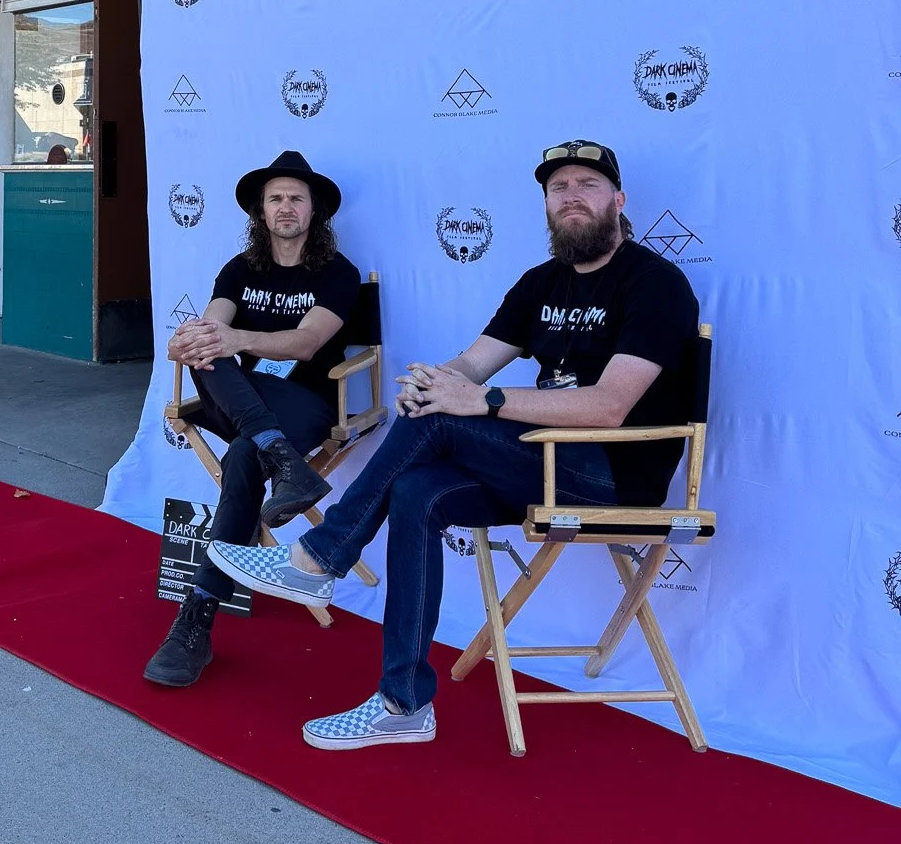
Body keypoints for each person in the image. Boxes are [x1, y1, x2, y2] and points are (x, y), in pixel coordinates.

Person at [208, 140, 700, 750]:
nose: (572, 198)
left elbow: (609, 406)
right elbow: (472, 364)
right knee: (417, 485)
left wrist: (480, 402)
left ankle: (319, 559)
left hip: (614, 476)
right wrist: (433, 384)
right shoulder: (540, 283)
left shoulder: (656, 284)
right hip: (541, 461)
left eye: (587, 186)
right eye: (559, 189)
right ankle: (403, 703)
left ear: (618, 201)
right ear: (546, 205)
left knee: (442, 421)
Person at [143, 149, 361, 688]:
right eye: (276, 199)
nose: (285, 207)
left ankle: (196, 618)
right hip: (241, 398)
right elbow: (210, 329)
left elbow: (308, 343)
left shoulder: (338, 273)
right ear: (260, 213)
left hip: (305, 402)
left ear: (314, 212)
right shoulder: (238, 270)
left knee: (243, 452)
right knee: (204, 348)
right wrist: (189, 339)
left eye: (296, 198)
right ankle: (283, 458)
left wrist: (234, 338)